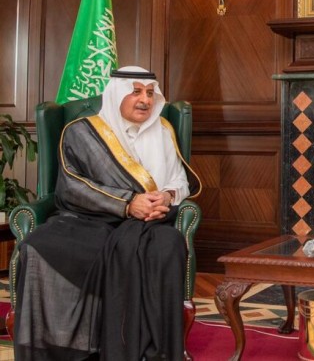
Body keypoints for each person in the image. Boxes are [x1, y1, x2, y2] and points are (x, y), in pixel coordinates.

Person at [13, 66, 202, 361]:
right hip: (89, 218)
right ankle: (65, 345)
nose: (145, 100)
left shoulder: (163, 131)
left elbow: (178, 180)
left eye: (150, 93)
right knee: (37, 247)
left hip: (149, 222)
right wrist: (128, 204)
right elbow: (73, 187)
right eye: (136, 92)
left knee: (167, 247)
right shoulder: (80, 131)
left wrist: (165, 196)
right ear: (116, 95)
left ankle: (152, 350)